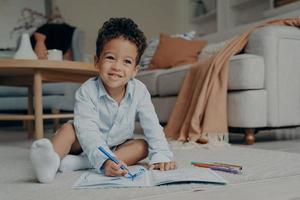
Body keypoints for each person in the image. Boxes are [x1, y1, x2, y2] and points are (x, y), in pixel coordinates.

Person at [30, 17, 176, 183]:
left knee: (142, 146)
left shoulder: (140, 91)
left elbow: (152, 125)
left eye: (126, 62)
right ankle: (50, 162)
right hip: (83, 143)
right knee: (67, 130)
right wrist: (103, 160)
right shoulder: (86, 91)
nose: (117, 67)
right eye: (110, 58)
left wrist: (162, 154)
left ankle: (81, 164)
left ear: (135, 70)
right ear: (97, 62)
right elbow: (87, 132)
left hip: (117, 147)